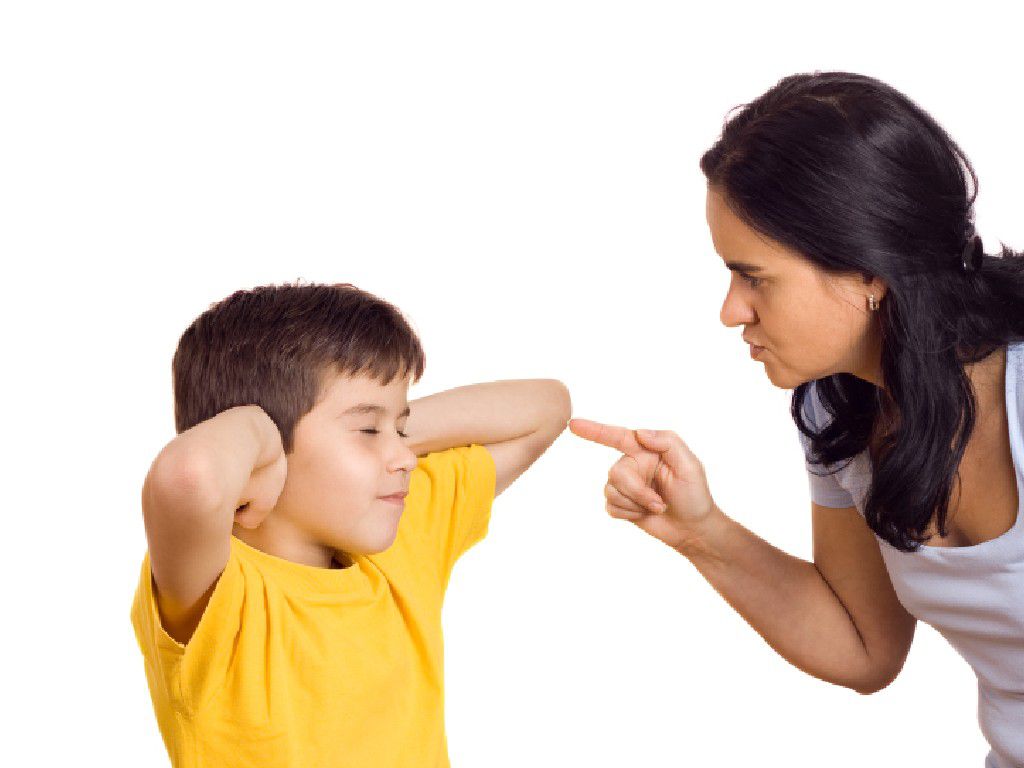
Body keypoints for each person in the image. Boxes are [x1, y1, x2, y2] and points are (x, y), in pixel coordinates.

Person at [570, 72, 1024, 767]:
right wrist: (701, 531)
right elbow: (863, 646)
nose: (731, 310)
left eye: (754, 276)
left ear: (869, 271)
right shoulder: (836, 408)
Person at [130, 282, 570, 767]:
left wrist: (383, 428)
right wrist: (265, 433)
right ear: (262, 450)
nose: (406, 457)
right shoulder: (220, 595)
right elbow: (188, 476)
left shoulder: (401, 537)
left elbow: (547, 408)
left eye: (400, 430)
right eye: (365, 430)